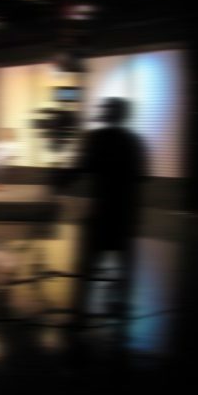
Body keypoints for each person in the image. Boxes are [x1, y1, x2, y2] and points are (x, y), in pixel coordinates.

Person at [69, 97, 148, 323]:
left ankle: (80, 314)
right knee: (124, 268)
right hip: (125, 214)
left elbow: (80, 169)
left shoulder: (97, 139)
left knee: (88, 266)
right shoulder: (134, 142)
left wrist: (57, 180)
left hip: (101, 214)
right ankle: (120, 308)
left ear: (106, 114)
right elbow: (141, 177)